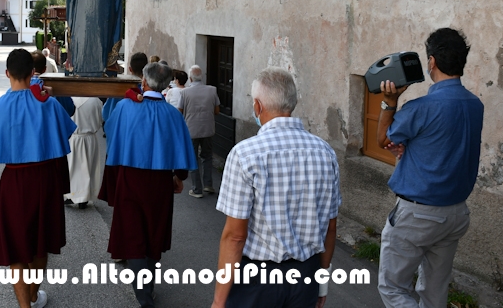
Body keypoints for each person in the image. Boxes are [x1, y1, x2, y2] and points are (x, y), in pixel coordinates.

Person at [212, 67, 340, 308]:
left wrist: (219, 301)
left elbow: (235, 236)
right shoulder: (326, 152)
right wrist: (321, 284)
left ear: (258, 106)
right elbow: (330, 228)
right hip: (306, 276)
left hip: (257, 281)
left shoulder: (245, 154)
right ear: (292, 103)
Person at [376, 28, 484, 308]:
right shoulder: (475, 105)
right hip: (456, 213)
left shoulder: (420, 107)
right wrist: (409, 146)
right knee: (435, 292)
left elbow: (383, 139)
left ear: (432, 62)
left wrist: (389, 102)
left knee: (393, 288)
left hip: (418, 215)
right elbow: (442, 143)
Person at [0, 48, 76, 308]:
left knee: (16, 247)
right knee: (41, 243)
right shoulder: (48, 105)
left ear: (7, 73)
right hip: (45, 180)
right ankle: (32, 294)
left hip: (13, 182)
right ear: (32, 73)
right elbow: (61, 142)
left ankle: (24, 305)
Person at [99, 62, 197, 307]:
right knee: (153, 232)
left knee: (133, 233)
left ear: (143, 82)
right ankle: (147, 289)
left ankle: (143, 294)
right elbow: (180, 146)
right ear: (166, 86)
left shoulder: (124, 107)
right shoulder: (173, 114)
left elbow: (110, 133)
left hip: (130, 177)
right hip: (160, 182)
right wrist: (179, 178)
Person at [180, 65, 221, 198]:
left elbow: (180, 111)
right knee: (207, 156)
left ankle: (197, 189)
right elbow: (217, 111)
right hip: (207, 129)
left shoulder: (185, 92)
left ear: (190, 78)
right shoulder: (212, 90)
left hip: (191, 130)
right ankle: (208, 184)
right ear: (201, 77)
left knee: (193, 158)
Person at [64, 96, 105, 209]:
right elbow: (101, 119)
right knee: (89, 168)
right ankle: (85, 196)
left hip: (75, 138)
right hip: (90, 138)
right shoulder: (96, 101)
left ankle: (72, 195)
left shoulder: (71, 99)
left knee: (74, 168)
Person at [102, 52, 148, 123]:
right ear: (146, 69)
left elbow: (106, 114)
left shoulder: (119, 88)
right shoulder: (149, 90)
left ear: (130, 69)